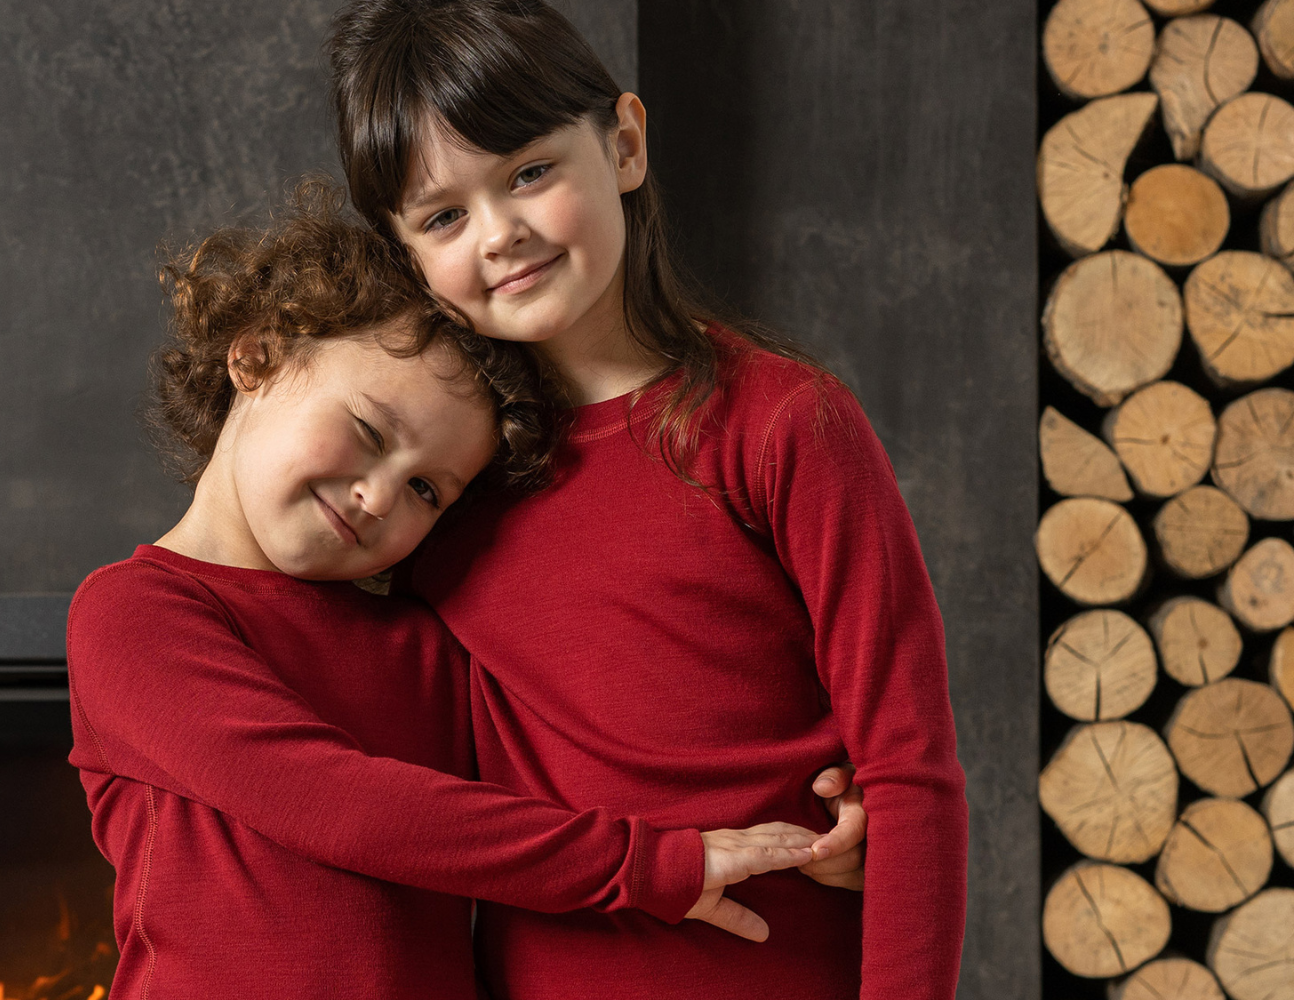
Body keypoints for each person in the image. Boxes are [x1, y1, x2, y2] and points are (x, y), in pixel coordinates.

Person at [65, 188, 865, 1000]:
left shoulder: (428, 644)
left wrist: (829, 807)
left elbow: (605, 742)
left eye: (426, 490)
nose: (378, 496)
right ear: (258, 357)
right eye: (369, 432)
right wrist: (640, 865)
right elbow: (332, 801)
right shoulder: (132, 613)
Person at [325, 2, 970, 998]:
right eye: (443, 217)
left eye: (529, 172)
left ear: (623, 144)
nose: (501, 235)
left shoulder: (783, 425)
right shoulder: (431, 488)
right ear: (404, 249)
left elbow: (909, 769)